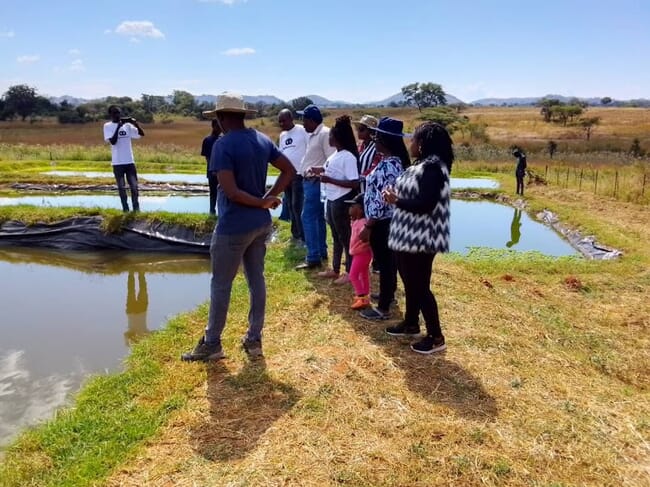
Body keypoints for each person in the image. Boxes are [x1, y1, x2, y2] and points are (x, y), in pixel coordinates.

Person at [182, 93, 295, 361]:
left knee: (221, 284)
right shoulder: (262, 139)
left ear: (220, 118)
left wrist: (260, 201)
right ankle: (254, 339)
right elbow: (289, 171)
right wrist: (268, 198)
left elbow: (231, 192)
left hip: (233, 227)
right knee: (256, 279)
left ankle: (212, 344)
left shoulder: (223, 145)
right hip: (259, 226)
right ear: (243, 115)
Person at [383, 121, 453, 354]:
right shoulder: (424, 165)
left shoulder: (433, 168)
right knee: (411, 282)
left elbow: (426, 204)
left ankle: (435, 336)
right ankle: (411, 323)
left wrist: (396, 201)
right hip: (409, 237)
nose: (410, 143)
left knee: (420, 286)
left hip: (422, 239)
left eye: (413, 139)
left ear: (422, 145)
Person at [358, 117, 410, 320]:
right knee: (388, 263)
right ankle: (388, 296)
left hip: (382, 223)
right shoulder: (390, 162)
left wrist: (368, 225)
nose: (374, 139)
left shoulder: (389, 166)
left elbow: (383, 201)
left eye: (377, 136)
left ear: (386, 141)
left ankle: (383, 308)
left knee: (386, 264)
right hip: (383, 223)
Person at [313, 115, 360, 284]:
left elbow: (354, 183)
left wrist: (329, 180)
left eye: (331, 135)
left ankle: (349, 272)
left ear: (338, 137)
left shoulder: (348, 157)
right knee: (335, 235)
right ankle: (334, 269)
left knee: (345, 237)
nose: (329, 138)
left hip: (341, 200)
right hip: (331, 199)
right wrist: (318, 170)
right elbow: (330, 170)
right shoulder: (335, 155)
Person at [295, 105, 335, 270]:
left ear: (311, 120)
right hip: (311, 182)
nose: (302, 123)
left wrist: (317, 172)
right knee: (317, 218)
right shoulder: (314, 134)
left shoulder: (324, 134)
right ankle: (320, 252)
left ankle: (313, 257)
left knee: (308, 217)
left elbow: (332, 160)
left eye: (304, 119)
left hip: (316, 182)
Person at [103, 105, 145, 212]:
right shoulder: (107, 126)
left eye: (119, 113)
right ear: (110, 115)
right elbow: (113, 141)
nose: (117, 115)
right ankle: (125, 210)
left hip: (129, 162)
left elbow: (141, 134)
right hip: (117, 163)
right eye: (115, 113)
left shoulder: (127, 126)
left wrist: (135, 124)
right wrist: (118, 127)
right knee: (121, 188)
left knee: (134, 187)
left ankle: (136, 210)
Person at [278, 108, 308, 243]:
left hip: (299, 174)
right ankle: (295, 234)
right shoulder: (282, 135)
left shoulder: (302, 130)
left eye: (284, 120)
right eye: (280, 122)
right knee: (289, 205)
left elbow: (310, 148)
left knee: (298, 205)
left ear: (291, 119)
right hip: (286, 175)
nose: (282, 124)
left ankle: (303, 236)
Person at [346, 193, 373, 309]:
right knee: (363, 274)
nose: (350, 209)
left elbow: (366, 238)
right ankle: (365, 296)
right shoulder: (357, 221)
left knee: (353, 275)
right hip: (360, 253)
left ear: (361, 210)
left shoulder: (363, 223)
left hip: (362, 254)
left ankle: (361, 296)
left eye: (353, 206)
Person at [352, 115, 381, 192]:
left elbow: (375, 168)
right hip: (356, 188)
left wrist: (360, 177)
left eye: (361, 129)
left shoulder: (377, 147)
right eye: (358, 129)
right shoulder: (360, 145)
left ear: (371, 131)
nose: (358, 132)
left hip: (368, 189)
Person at [201, 119, 222, 215]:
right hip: (212, 171)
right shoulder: (207, 140)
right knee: (213, 192)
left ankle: (222, 212)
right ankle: (212, 211)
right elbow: (207, 157)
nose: (220, 128)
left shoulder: (223, 140)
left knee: (223, 193)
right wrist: (213, 168)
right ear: (213, 126)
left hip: (223, 171)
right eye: (218, 126)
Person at [124, 271, 150, 346]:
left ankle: (131, 273)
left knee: (132, 291)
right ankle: (140, 273)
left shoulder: (130, 343)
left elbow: (125, 334)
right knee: (141, 290)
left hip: (133, 312)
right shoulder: (145, 339)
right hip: (140, 311)